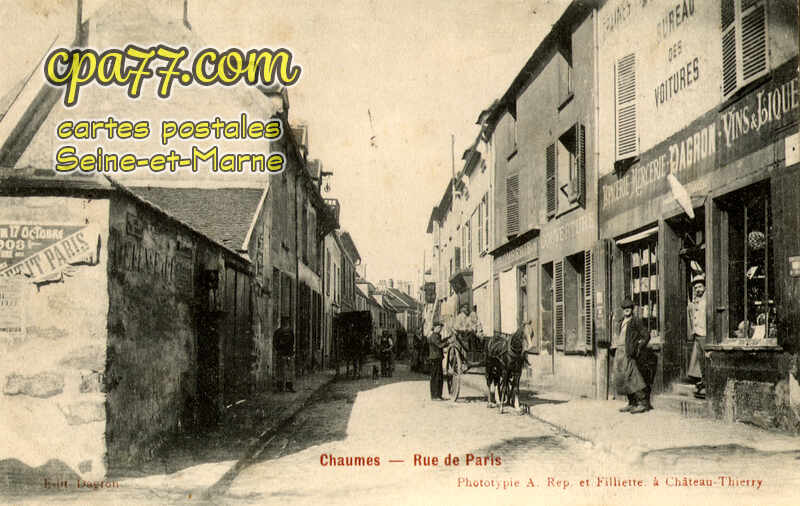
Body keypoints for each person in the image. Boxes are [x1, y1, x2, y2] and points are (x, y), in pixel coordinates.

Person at [613, 298, 652, 414]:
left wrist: (638, 347)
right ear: (622, 309)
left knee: (633, 377)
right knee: (623, 377)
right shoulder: (621, 321)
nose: (626, 310)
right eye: (625, 308)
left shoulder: (636, 321)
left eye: (629, 308)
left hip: (629, 353)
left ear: (632, 309)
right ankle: (632, 403)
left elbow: (646, 336)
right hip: (620, 352)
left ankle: (643, 403)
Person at [687, 274, 707, 399]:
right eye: (695, 288)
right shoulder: (696, 300)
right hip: (698, 334)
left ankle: (706, 384)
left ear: (704, 287)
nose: (698, 289)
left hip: (705, 334)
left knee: (705, 360)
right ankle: (703, 383)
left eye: (700, 287)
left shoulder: (707, 300)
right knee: (700, 361)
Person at [274, 316, 296, 393]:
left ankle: (289, 386)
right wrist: (279, 350)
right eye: (284, 322)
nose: (286, 323)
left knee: (289, 370)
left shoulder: (290, 332)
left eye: (287, 322)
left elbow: (292, 343)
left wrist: (291, 353)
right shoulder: (278, 332)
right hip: (281, 354)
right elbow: (275, 343)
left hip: (289, 354)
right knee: (280, 370)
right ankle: (280, 386)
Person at [428, 321, 445, 400]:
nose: (440, 329)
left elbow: (441, 342)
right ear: (434, 328)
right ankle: (434, 396)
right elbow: (440, 345)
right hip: (434, 359)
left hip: (438, 358)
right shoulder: (434, 336)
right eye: (438, 327)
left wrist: (447, 339)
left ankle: (438, 395)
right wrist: (448, 342)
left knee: (439, 377)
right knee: (435, 377)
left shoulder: (437, 336)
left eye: (440, 328)